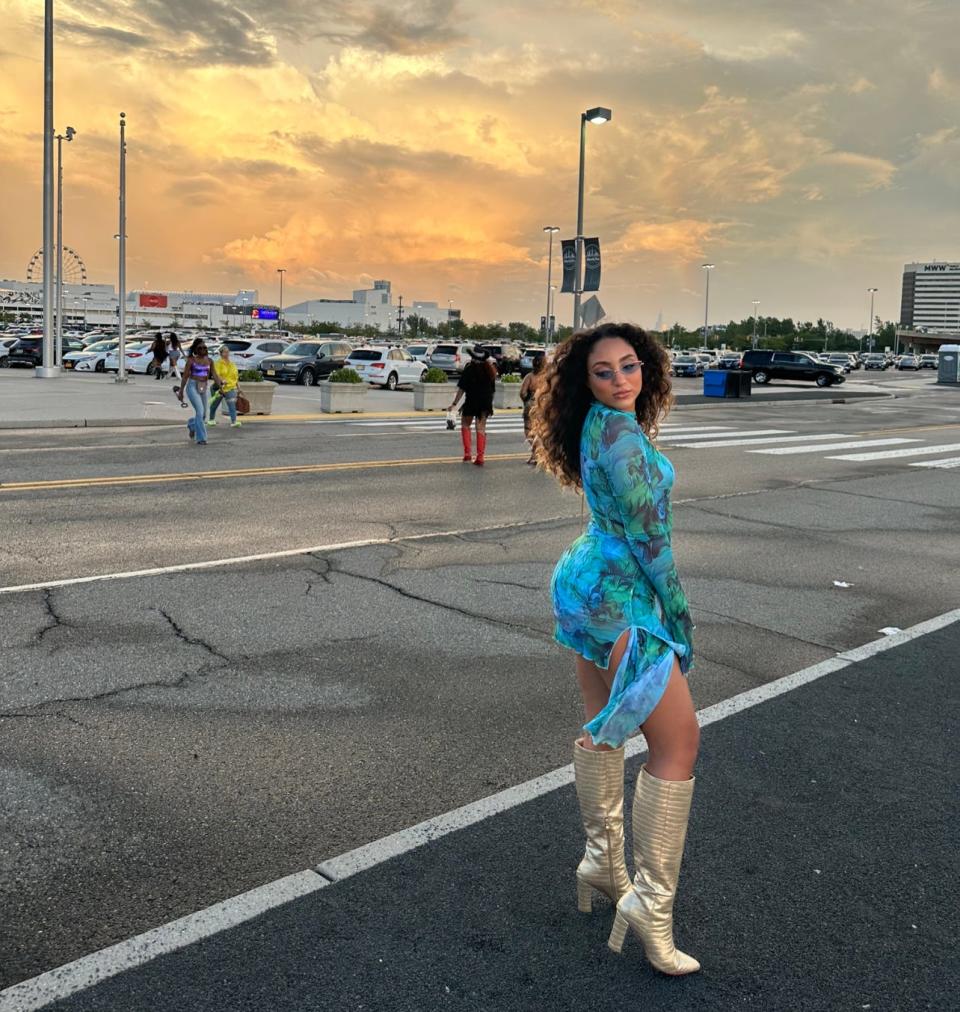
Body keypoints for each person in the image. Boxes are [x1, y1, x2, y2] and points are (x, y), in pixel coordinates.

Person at [534, 322, 700, 976]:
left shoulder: (597, 427)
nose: (621, 380)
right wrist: (680, 621)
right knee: (678, 743)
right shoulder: (623, 438)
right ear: (586, 380)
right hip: (618, 596)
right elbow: (653, 549)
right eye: (604, 371)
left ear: (647, 369)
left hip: (581, 581)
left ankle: (603, 865)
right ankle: (650, 908)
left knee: (607, 729)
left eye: (630, 366)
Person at [448, 346, 496, 466]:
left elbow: (462, 388)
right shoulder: (490, 369)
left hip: (471, 401)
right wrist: (489, 403)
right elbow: (493, 390)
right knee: (481, 428)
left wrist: (454, 403)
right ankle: (480, 456)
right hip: (485, 402)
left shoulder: (469, 369)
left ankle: (467, 453)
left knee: (465, 424)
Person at [178, 339, 220, 445]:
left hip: (203, 387)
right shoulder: (191, 360)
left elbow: (214, 375)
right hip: (192, 387)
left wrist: (221, 387)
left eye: (205, 348)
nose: (203, 350)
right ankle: (201, 438)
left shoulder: (210, 361)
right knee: (200, 412)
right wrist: (181, 391)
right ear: (195, 350)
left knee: (203, 415)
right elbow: (185, 377)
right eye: (200, 348)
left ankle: (192, 425)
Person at [519, 351, 546, 465]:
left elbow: (523, 392)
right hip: (544, 404)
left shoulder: (529, 377)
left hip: (532, 403)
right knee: (542, 430)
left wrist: (525, 400)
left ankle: (535, 453)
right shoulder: (547, 377)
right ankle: (540, 454)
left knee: (528, 429)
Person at [209, 345, 241, 428]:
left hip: (230, 388)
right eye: (225, 352)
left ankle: (234, 421)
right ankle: (211, 419)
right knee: (214, 405)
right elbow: (216, 375)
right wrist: (222, 381)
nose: (227, 353)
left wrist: (238, 387)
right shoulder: (218, 363)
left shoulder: (232, 364)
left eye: (228, 351)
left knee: (232, 405)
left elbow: (235, 376)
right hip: (220, 387)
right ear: (221, 353)